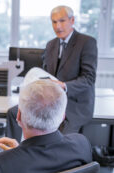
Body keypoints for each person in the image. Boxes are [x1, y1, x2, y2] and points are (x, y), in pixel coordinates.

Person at [6, 5, 97, 142]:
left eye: (62, 21)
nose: (58, 26)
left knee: (58, 140)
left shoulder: (86, 42)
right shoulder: (51, 45)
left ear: (72, 21)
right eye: (54, 22)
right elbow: (46, 73)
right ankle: (13, 152)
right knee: (14, 113)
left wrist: (64, 85)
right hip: (50, 100)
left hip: (74, 105)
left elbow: (89, 79)